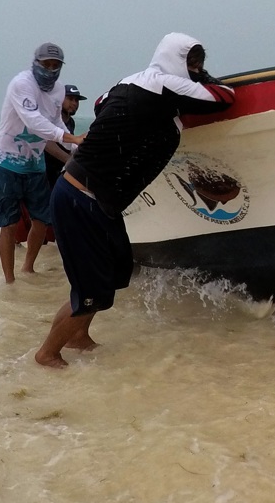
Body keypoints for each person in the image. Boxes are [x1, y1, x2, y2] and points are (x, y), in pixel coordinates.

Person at [34, 34, 236, 368]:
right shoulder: (166, 85)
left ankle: (77, 336)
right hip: (80, 198)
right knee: (90, 290)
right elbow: (224, 97)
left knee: (114, 271)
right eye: (193, 64)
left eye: (200, 65)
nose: (197, 72)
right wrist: (202, 78)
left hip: (95, 199)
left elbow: (100, 104)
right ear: (176, 60)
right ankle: (47, 353)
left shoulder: (131, 83)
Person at [0, 42, 84, 283]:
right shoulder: (21, 84)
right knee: (9, 224)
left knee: (42, 219)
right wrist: (69, 137)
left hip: (35, 165)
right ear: (36, 63)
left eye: (56, 66)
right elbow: (33, 122)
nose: (50, 70)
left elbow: (55, 121)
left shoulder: (59, 89)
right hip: (6, 162)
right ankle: (9, 280)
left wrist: (76, 146)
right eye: (46, 65)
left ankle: (28, 268)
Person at [44, 84, 87, 188]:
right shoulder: (50, 119)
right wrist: (69, 161)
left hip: (60, 171)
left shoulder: (71, 122)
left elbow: (70, 145)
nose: (74, 103)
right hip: (44, 171)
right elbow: (46, 143)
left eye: (76, 100)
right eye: (70, 99)